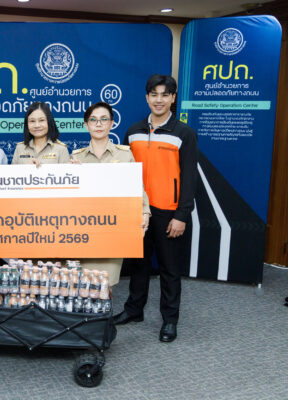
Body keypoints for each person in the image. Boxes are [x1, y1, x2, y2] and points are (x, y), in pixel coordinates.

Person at [113, 74, 198, 343]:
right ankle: (134, 310)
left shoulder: (184, 133)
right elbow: (123, 171)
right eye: (154, 94)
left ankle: (170, 320)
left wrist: (182, 215)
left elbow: (189, 177)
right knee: (138, 264)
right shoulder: (133, 131)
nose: (158, 100)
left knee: (169, 268)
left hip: (168, 211)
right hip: (138, 210)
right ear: (147, 97)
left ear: (173, 98)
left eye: (164, 94)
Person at [70, 101, 150, 286]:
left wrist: (145, 212)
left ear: (112, 123)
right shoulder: (76, 157)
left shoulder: (124, 154)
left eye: (104, 119)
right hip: (85, 228)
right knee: (85, 285)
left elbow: (137, 186)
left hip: (114, 226)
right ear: (86, 125)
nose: (98, 124)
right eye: (93, 120)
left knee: (107, 284)